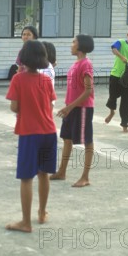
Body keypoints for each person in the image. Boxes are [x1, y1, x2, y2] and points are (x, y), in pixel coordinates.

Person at [5, 40, 57, 231]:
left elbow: (14, 107)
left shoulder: (18, 79)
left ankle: (26, 222)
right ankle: (42, 213)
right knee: (44, 174)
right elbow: (50, 106)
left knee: (27, 178)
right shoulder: (46, 80)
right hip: (49, 132)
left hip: (29, 133)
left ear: (24, 58)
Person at [50, 34, 95, 188]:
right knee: (67, 139)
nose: (71, 45)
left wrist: (70, 107)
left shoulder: (86, 64)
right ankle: (62, 171)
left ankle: (85, 177)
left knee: (87, 142)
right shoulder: (76, 63)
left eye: (73, 42)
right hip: (71, 107)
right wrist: (69, 106)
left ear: (81, 46)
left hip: (82, 108)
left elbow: (88, 91)